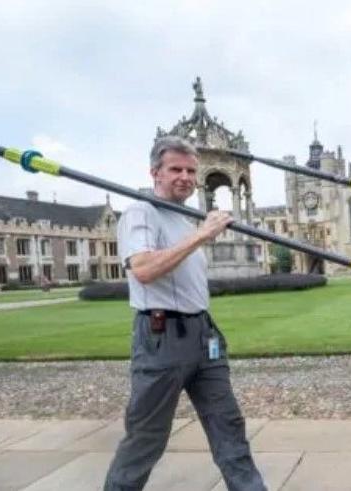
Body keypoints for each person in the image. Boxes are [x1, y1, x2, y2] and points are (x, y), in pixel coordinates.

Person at [104, 136, 266, 491]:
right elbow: (144, 269)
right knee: (147, 437)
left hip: (204, 335)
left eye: (191, 170)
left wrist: (199, 229)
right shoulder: (140, 213)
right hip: (162, 337)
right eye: (175, 169)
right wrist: (202, 234)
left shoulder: (185, 216)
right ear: (155, 173)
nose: (185, 176)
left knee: (228, 425)